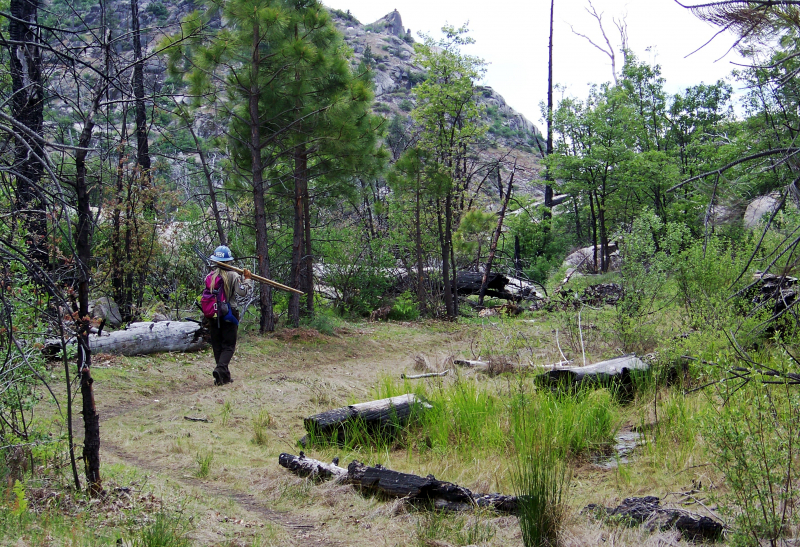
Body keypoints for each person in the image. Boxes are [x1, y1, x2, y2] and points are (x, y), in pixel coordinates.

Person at [205, 245, 253, 386]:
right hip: (229, 313)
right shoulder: (233, 275)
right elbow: (242, 292)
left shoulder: (210, 276)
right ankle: (220, 369)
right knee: (229, 346)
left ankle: (223, 378)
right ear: (228, 261)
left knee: (217, 345)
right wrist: (247, 279)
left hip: (213, 314)